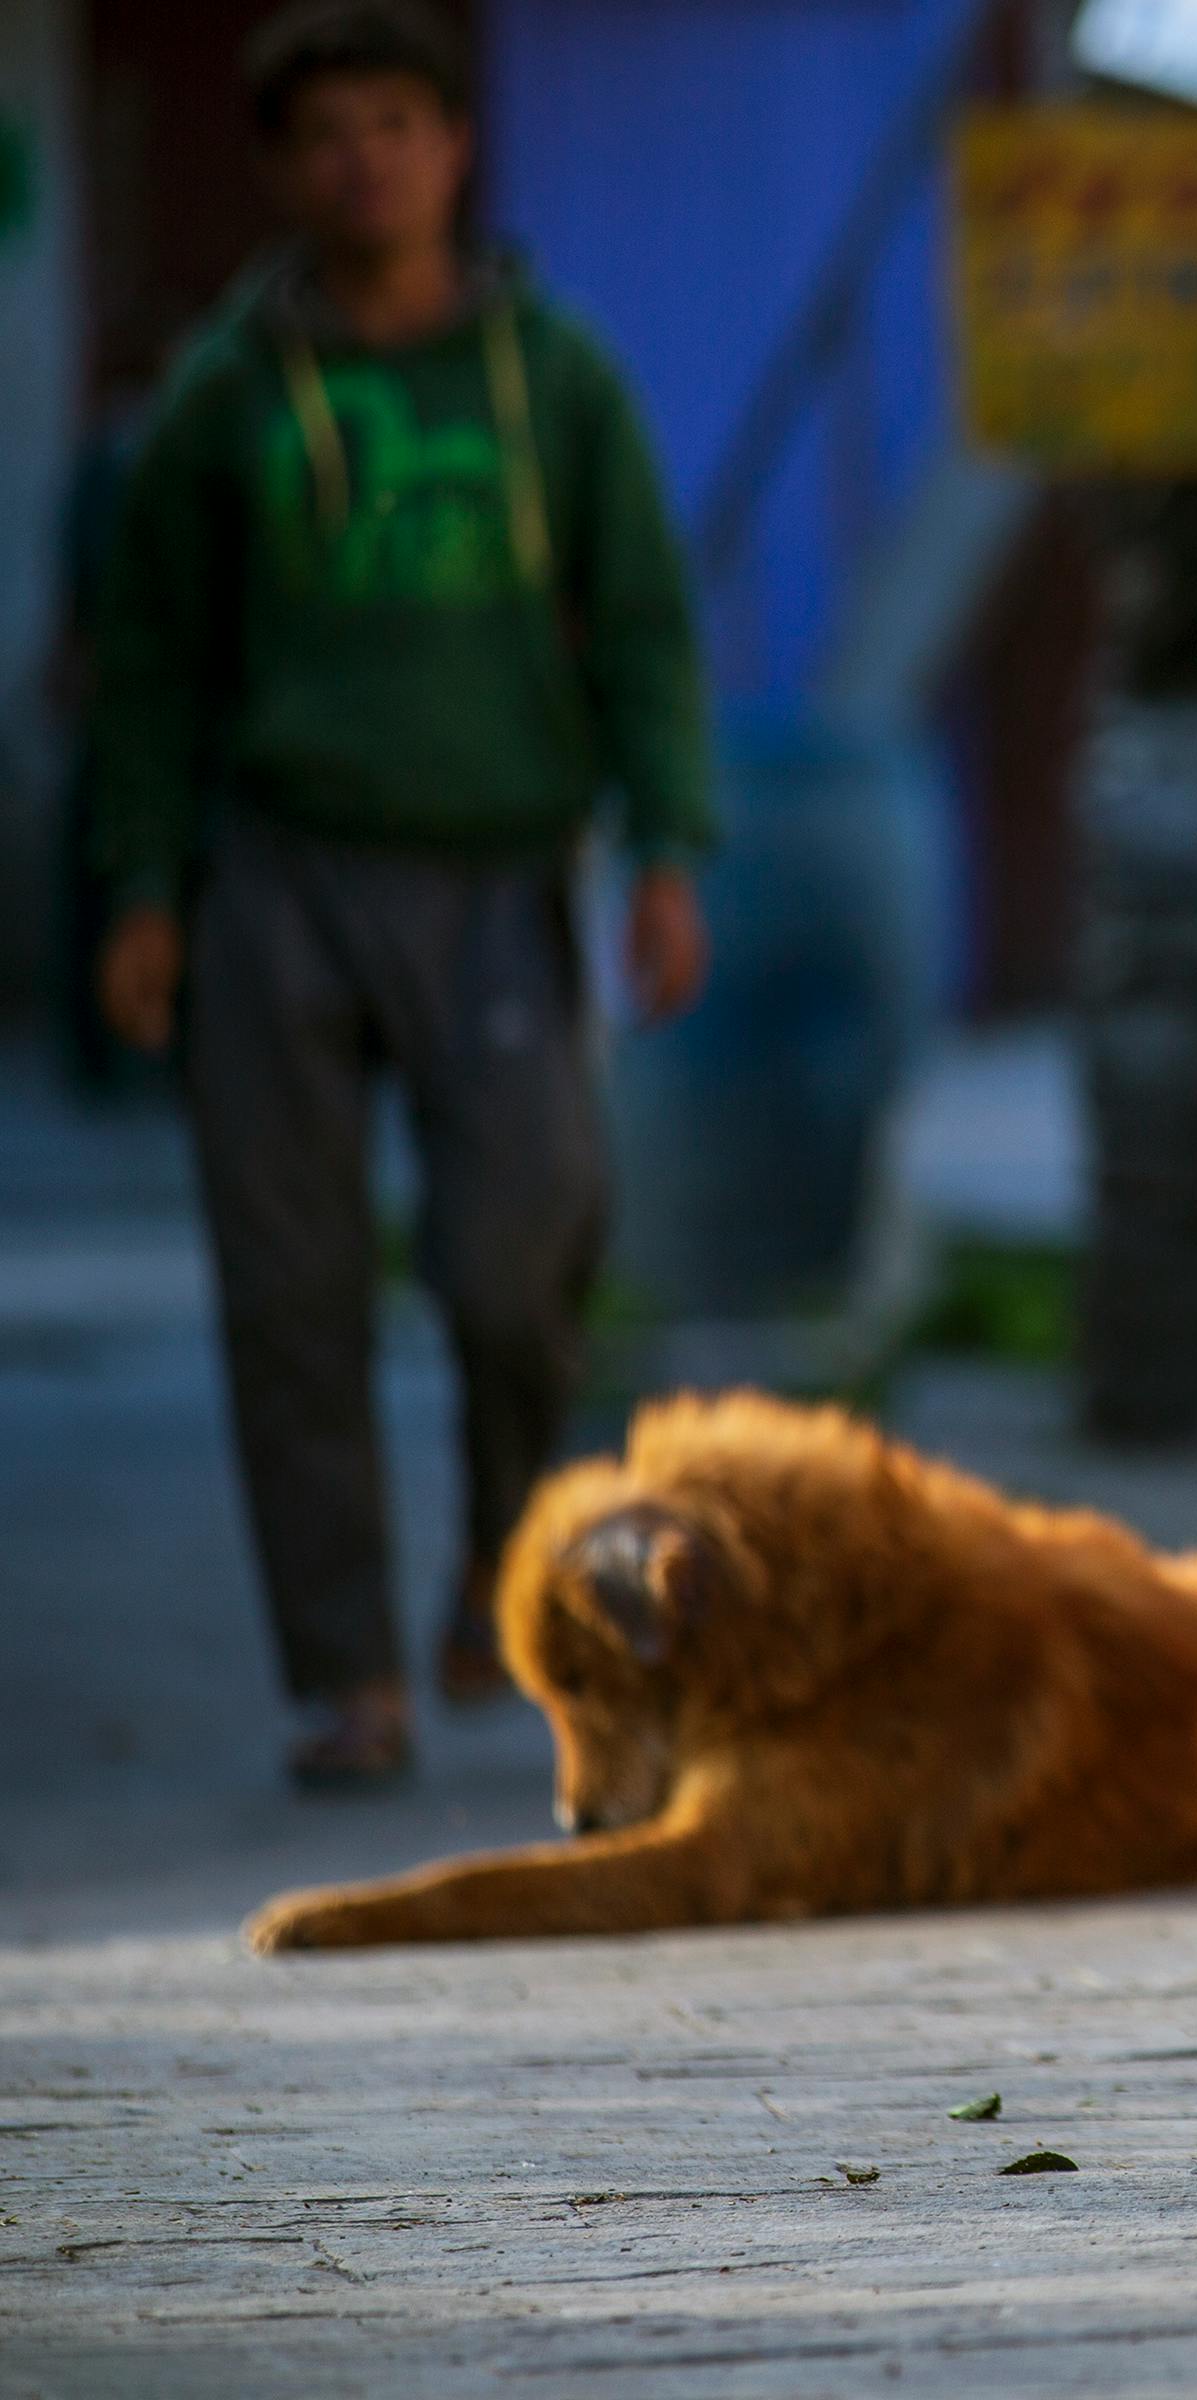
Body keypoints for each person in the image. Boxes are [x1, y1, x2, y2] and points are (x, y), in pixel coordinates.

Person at [86, 0, 714, 1790]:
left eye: (397, 121)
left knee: (522, 1251)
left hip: (501, 869)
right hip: (274, 874)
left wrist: (667, 849)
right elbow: (146, 662)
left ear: (454, 147)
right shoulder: (229, 392)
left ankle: (497, 1574)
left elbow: (648, 625)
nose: (365, 159)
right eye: (327, 132)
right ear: (286, 171)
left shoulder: (551, 374)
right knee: (290, 1288)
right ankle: (345, 1678)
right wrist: (143, 886)